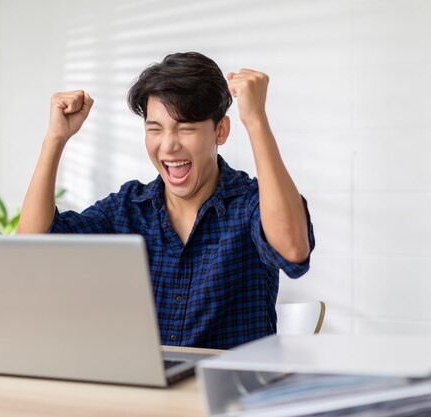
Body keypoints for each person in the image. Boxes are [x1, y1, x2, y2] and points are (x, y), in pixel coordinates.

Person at [18, 52, 315, 349]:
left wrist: (255, 120)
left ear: (220, 131)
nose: (169, 146)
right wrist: (55, 139)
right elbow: (32, 248)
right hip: (148, 390)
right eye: (155, 129)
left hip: (230, 388)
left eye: (185, 128)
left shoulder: (251, 203)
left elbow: (293, 250)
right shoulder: (128, 208)